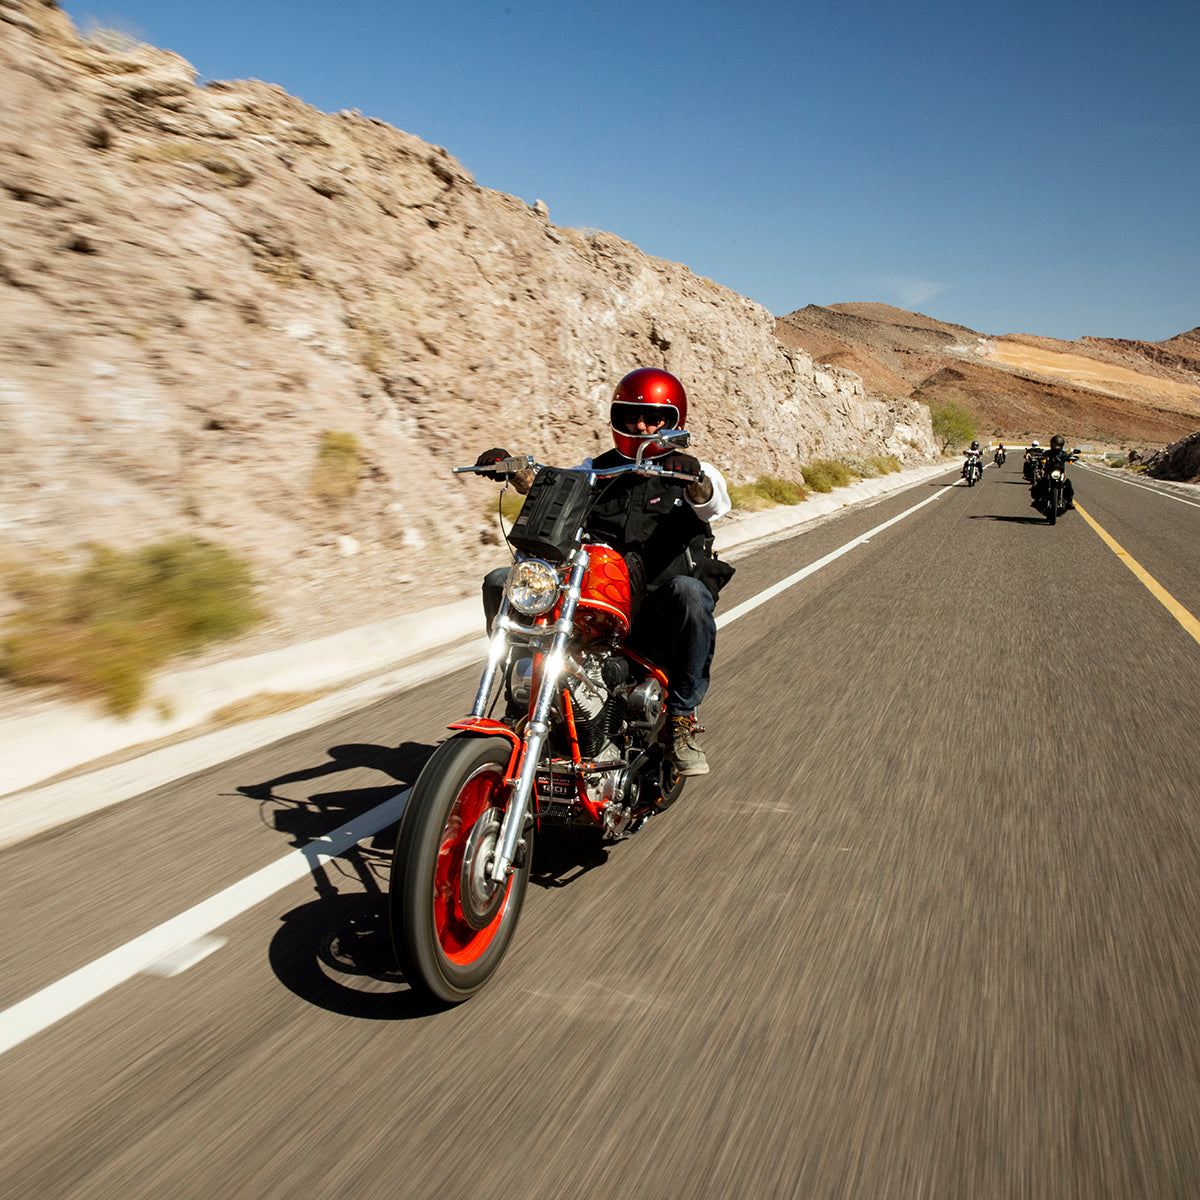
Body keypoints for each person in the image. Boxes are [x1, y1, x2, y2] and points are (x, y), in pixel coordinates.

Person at [474, 368, 732, 776]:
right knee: (502, 583)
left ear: (674, 420)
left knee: (691, 593)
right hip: (598, 592)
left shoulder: (693, 470)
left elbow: (712, 500)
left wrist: (693, 477)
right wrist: (515, 471)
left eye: (653, 419)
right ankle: (521, 698)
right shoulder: (597, 467)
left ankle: (681, 721)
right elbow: (557, 485)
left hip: (658, 602)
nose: (642, 426)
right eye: (631, 416)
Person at [1030, 434, 1076, 509]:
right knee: (1040, 483)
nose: (1057, 447)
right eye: (1055, 445)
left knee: (1068, 484)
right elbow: (1042, 456)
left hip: (1059, 473)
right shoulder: (1048, 453)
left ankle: (1069, 502)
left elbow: (1068, 457)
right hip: (1049, 473)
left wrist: (1072, 458)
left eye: (1058, 445)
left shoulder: (1063, 454)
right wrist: (1038, 457)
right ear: (1052, 444)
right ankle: (1037, 500)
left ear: (1062, 445)